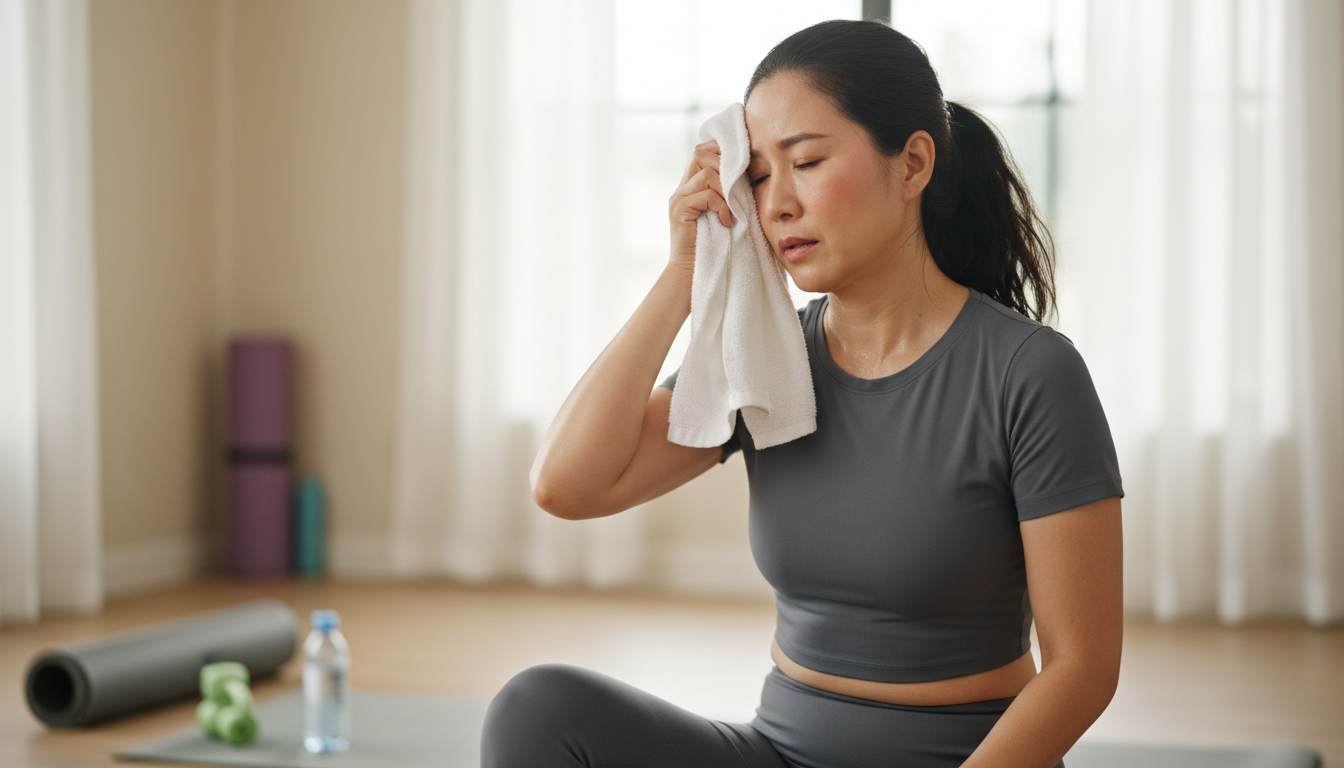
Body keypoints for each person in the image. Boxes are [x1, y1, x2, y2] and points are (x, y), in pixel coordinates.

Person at [481, 19, 1123, 768]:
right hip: (780, 752)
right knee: (538, 709)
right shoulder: (765, 357)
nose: (775, 202)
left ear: (913, 164)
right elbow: (567, 485)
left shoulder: (1029, 372)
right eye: (756, 176)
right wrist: (684, 275)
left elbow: (1082, 671)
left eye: (807, 162)